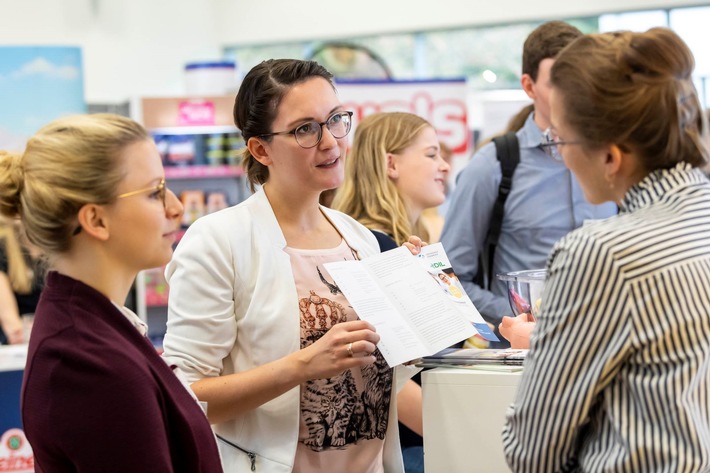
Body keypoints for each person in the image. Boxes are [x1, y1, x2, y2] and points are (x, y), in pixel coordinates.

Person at [161, 60, 421, 473]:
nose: (331, 142)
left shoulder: (360, 240)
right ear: (261, 149)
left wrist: (421, 302)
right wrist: (302, 365)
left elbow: (388, 378)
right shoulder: (219, 241)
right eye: (305, 129)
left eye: (336, 120)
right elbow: (183, 398)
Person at [502, 28, 710, 472]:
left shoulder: (601, 252)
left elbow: (533, 449)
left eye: (560, 140)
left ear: (611, 157)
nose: (559, 152)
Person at [0, 114, 223, 472]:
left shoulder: (90, 325)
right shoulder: (89, 364)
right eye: (154, 192)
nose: (176, 207)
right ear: (96, 220)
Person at [440, 21, 617, 342]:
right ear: (529, 85)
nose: (573, 95)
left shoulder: (613, 160)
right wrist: (519, 315)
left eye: (579, 81)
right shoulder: (493, 166)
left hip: (607, 344)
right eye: (557, 84)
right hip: (523, 356)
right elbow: (449, 277)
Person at [332, 111, 450, 473]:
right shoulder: (376, 249)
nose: (444, 166)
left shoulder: (400, 245)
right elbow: (391, 380)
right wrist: (460, 431)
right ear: (391, 163)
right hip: (411, 448)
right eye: (431, 154)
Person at [0, 217, 43, 345]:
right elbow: (12, 325)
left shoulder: (59, 248)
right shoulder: (3, 249)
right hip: (21, 342)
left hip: (51, 335)